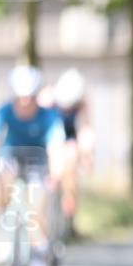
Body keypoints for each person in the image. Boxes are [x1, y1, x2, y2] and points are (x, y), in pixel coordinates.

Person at [0, 65, 65, 266]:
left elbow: (56, 148)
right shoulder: (3, 113)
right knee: (2, 180)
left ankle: (38, 261)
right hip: (11, 157)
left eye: (29, 97)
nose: (25, 102)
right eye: (21, 97)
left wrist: (56, 175)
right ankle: (3, 224)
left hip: (37, 162)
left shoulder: (49, 117)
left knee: (36, 208)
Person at [53, 68, 94, 238]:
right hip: (51, 135)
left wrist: (87, 154)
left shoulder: (82, 104)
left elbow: (86, 129)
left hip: (69, 136)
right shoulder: (48, 99)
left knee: (71, 166)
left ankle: (69, 214)